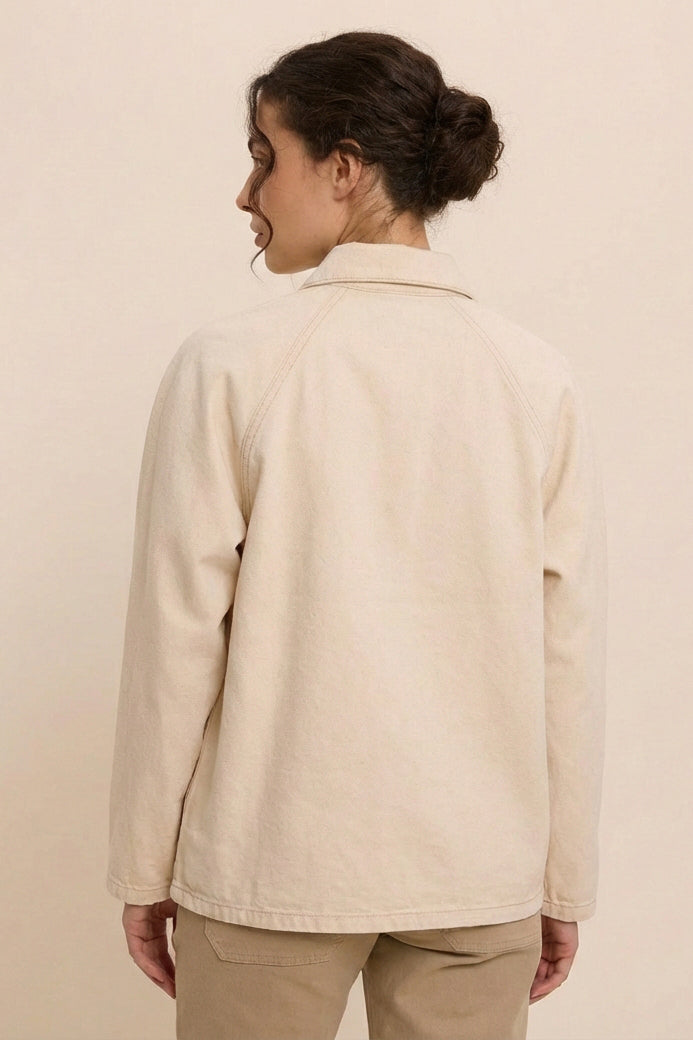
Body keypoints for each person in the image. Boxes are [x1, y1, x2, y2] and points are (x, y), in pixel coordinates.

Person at [106, 29, 608, 1040]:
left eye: (265, 157)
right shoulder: (534, 377)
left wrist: (142, 867)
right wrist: (563, 879)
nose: (246, 194)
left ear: (343, 169)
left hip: (270, 865)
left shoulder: (230, 366)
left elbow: (176, 638)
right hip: (477, 870)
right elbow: (568, 650)